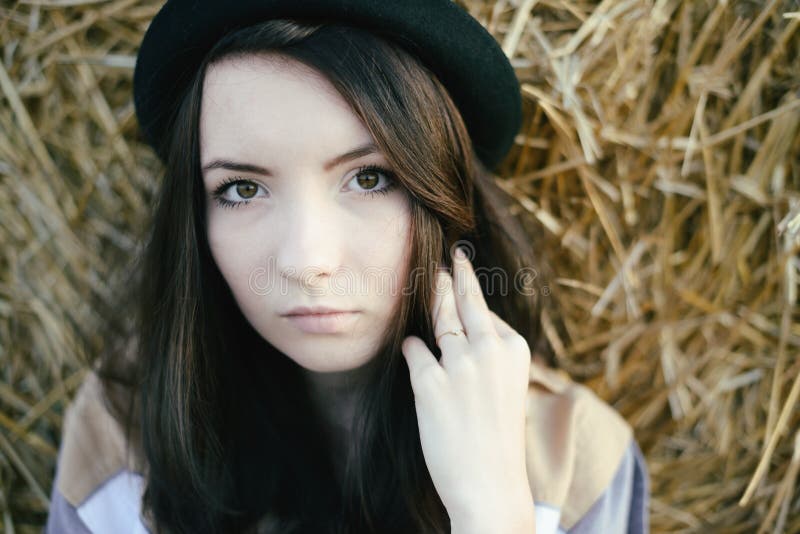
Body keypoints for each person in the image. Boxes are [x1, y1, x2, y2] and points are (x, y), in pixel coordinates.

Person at [45, 1, 649, 533]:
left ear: (448, 201)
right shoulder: (119, 447)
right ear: (194, 221)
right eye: (243, 190)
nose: (308, 263)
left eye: (370, 178)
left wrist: (493, 515)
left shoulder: (572, 468)